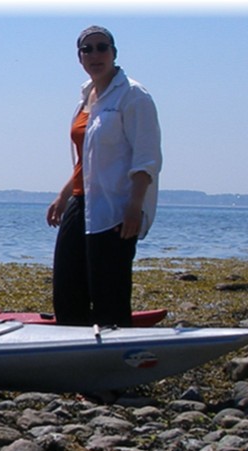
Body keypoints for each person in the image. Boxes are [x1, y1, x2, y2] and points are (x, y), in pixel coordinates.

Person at [47, 26, 161, 327]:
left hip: (116, 208)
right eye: (88, 49)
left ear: (114, 53)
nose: (95, 54)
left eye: (102, 47)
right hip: (81, 202)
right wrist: (63, 195)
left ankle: (113, 354)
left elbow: (147, 157)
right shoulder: (85, 99)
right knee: (68, 287)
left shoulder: (133, 95)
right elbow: (87, 159)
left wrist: (135, 206)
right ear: (79, 57)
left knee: (109, 289)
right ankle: (72, 353)